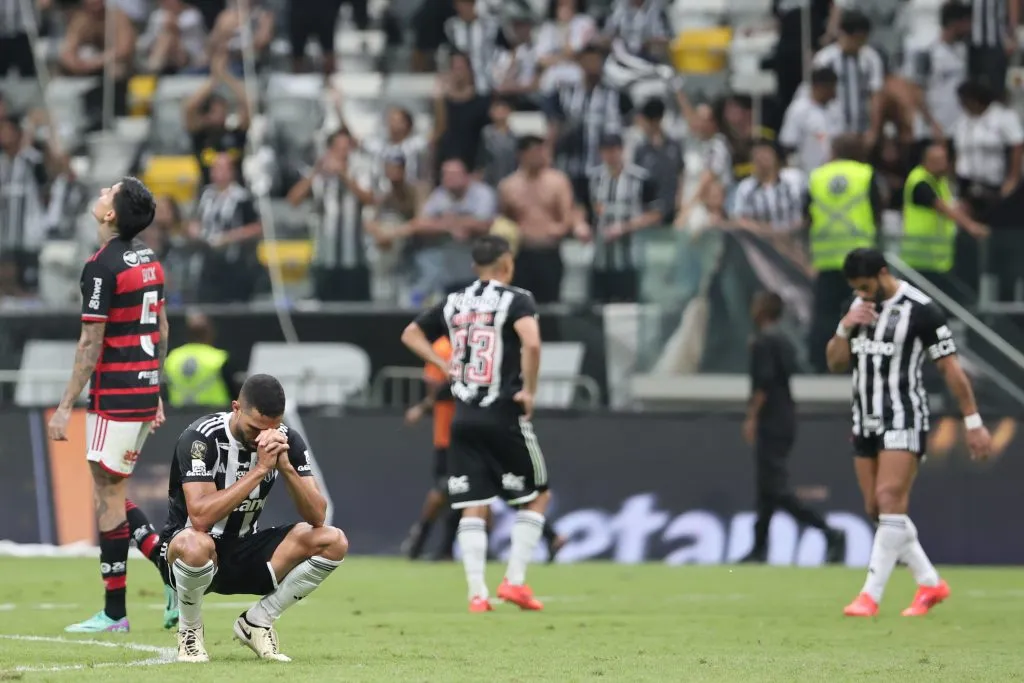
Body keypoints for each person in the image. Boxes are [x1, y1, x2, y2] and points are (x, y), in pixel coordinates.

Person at [826, 248, 992, 617]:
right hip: (864, 419)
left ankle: (870, 596)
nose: (863, 295)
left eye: (867, 286)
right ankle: (930, 583)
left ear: (883, 273)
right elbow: (835, 362)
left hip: (904, 416)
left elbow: (950, 368)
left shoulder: (922, 310)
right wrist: (844, 325)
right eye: (856, 289)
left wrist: (973, 421)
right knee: (879, 509)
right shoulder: (854, 307)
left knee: (888, 498)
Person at [47, 177, 174, 633]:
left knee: (107, 495)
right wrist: (156, 387)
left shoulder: (101, 267)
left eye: (109, 192)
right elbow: (160, 325)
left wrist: (65, 406)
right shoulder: (150, 260)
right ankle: (157, 576)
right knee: (112, 491)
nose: (101, 192)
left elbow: (90, 341)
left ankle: (120, 607)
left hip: (116, 395)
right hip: (141, 391)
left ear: (110, 215)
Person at [401, 235, 550, 612]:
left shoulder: (454, 301)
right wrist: (529, 391)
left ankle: (477, 594)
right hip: (503, 412)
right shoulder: (517, 298)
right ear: (507, 265)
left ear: (474, 268)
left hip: (463, 416)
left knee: (472, 502)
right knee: (537, 495)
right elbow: (531, 344)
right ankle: (514, 582)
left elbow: (410, 333)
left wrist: (441, 364)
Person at [156, 374, 348, 662]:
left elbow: (317, 515)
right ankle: (190, 631)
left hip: (245, 546)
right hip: (190, 549)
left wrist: (284, 467)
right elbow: (200, 518)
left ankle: (257, 621)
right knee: (196, 545)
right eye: (255, 427)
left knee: (333, 540)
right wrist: (259, 470)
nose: (262, 436)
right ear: (236, 408)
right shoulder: (200, 438)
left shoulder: (285, 440)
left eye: (271, 428)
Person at [741, 292, 846, 564]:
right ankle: (758, 548)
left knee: (775, 489)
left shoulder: (763, 341)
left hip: (770, 419)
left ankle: (829, 532)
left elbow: (763, 384)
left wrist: (752, 417)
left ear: (763, 309)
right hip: (785, 417)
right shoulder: (785, 340)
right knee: (766, 488)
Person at [805, 134, 882, 373]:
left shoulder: (817, 176)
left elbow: (806, 215)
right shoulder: (865, 174)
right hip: (860, 261)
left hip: (826, 258)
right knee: (861, 312)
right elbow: (877, 212)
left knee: (824, 316)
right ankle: (858, 363)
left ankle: (820, 364)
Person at [900, 143, 988, 299]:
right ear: (924, 161)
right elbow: (942, 207)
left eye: (943, 160)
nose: (941, 165)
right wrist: (971, 226)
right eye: (935, 160)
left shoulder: (940, 181)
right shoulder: (919, 181)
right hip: (921, 258)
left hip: (938, 259)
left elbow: (949, 206)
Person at [498, 135, 578, 304]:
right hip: (521, 253)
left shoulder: (558, 181)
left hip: (548, 251)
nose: (540, 155)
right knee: (520, 305)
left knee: (550, 306)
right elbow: (504, 221)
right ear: (522, 155)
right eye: (534, 152)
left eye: (542, 151)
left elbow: (568, 215)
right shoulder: (508, 186)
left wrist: (559, 229)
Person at [402, 335, 461, 560]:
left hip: (466, 434)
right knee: (444, 490)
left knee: (458, 492)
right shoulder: (443, 347)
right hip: (448, 436)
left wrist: (421, 407)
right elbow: (438, 389)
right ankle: (422, 541)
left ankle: (440, 546)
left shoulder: (461, 344)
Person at [163, 312, 244, 407]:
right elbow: (235, 394)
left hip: (179, 417)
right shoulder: (219, 358)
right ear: (210, 333)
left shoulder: (172, 358)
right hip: (215, 416)